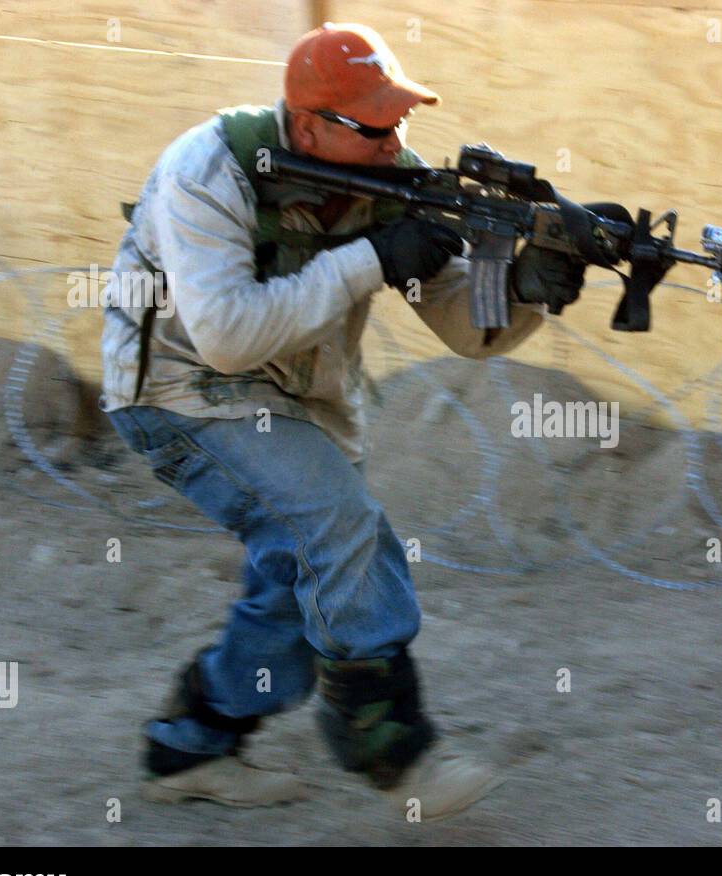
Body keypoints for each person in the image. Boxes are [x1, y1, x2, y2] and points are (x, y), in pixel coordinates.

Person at [98, 22, 586, 820]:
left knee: (300, 576)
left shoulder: (390, 175)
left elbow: (468, 331)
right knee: (339, 523)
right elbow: (223, 338)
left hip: (292, 399)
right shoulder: (208, 169)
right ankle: (389, 742)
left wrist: (535, 284)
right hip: (176, 392)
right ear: (309, 126)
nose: (395, 142)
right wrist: (372, 259)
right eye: (373, 125)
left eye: (401, 121)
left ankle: (191, 743)